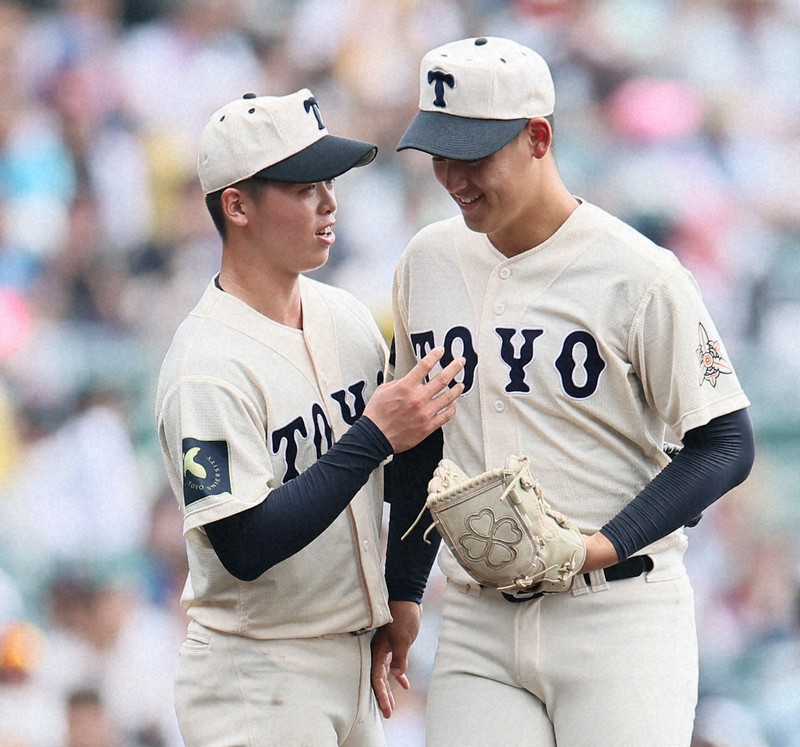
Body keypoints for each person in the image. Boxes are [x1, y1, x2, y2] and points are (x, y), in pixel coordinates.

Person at [371, 36, 756, 746]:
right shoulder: (426, 262)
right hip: (481, 620)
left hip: (618, 617)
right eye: (439, 152)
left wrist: (595, 547)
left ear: (538, 137)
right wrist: (403, 588)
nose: (453, 175)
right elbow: (423, 443)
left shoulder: (638, 272)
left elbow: (726, 444)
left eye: (473, 153)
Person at [154, 89, 465, 747]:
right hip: (257, 676)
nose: (329, 203)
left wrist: (405, 591)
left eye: (330, 182)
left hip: (353, 662)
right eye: (303, 187)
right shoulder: (205, 365)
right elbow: (244, 546)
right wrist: (371, 433)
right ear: (236, 205)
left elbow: (416, 451)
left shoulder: (345, 315)